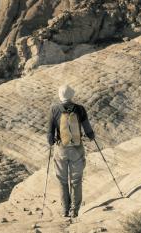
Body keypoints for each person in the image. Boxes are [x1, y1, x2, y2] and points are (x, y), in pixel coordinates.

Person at [47, 84, 95, 218]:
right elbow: (88, 130)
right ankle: (74, 210)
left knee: (62, 181)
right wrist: (91, 136)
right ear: (71, 95)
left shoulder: (54, 109)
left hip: (61, 149)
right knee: (76, 180)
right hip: (77, 149)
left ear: (60, 95)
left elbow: (50, 134)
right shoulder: (80, 109)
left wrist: (51, 142)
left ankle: (64, 210)